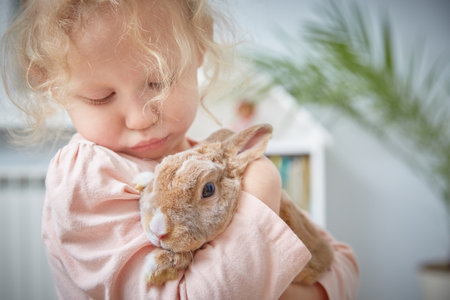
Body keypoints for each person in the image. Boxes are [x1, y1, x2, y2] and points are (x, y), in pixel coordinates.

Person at [1, 0, 359, 299]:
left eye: (160, 81)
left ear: (199, 47)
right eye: (102, 97)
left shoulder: (205, 160)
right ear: (53, 87)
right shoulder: (88, 174)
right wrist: (262, 195)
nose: (141, 118)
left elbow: (341, 263)